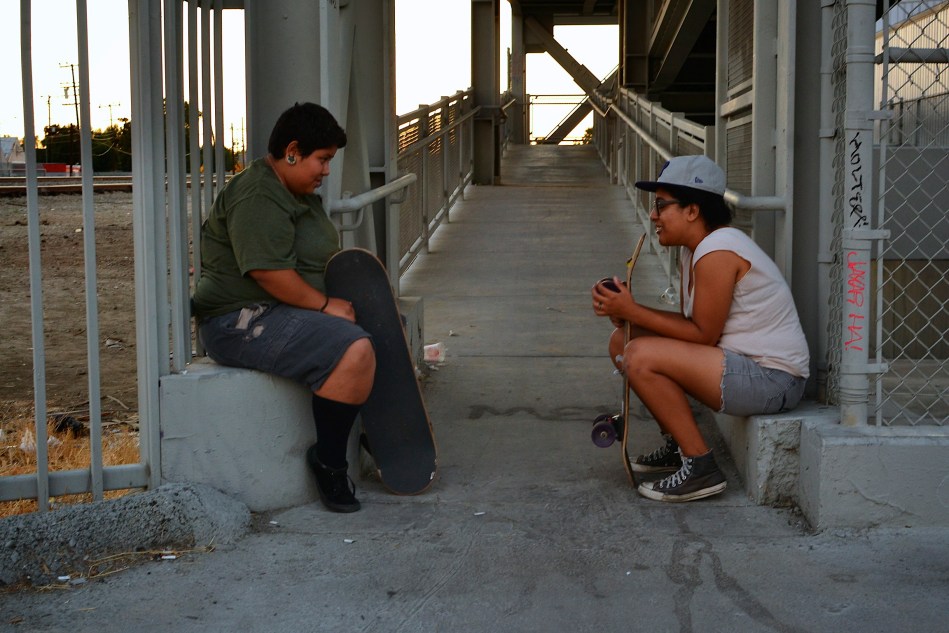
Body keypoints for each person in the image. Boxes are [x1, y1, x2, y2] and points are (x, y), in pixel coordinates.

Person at [591, 155, 809, 503]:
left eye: (661, 205)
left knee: (640, 354)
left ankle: (701, 466)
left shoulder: (718, 251)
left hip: (773, 380)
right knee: (623, 340)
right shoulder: (697, 251)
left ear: (692, 210)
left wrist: (635, 310)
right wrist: (629, 317)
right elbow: (690, 328)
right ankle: (679, 448)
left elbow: (702, 335)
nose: (653, 215)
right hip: (740, 367)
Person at [192, 102, 373, 513]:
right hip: (239, 320)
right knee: (353, 348)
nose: (326, 171)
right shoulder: (258, 194)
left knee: (378, 327)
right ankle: (328, 462)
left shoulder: (295, 191)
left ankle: (375, 430)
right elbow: (268, 272)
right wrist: (326, 304)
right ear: (292, 151)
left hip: (279, 313)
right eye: (322, 160)